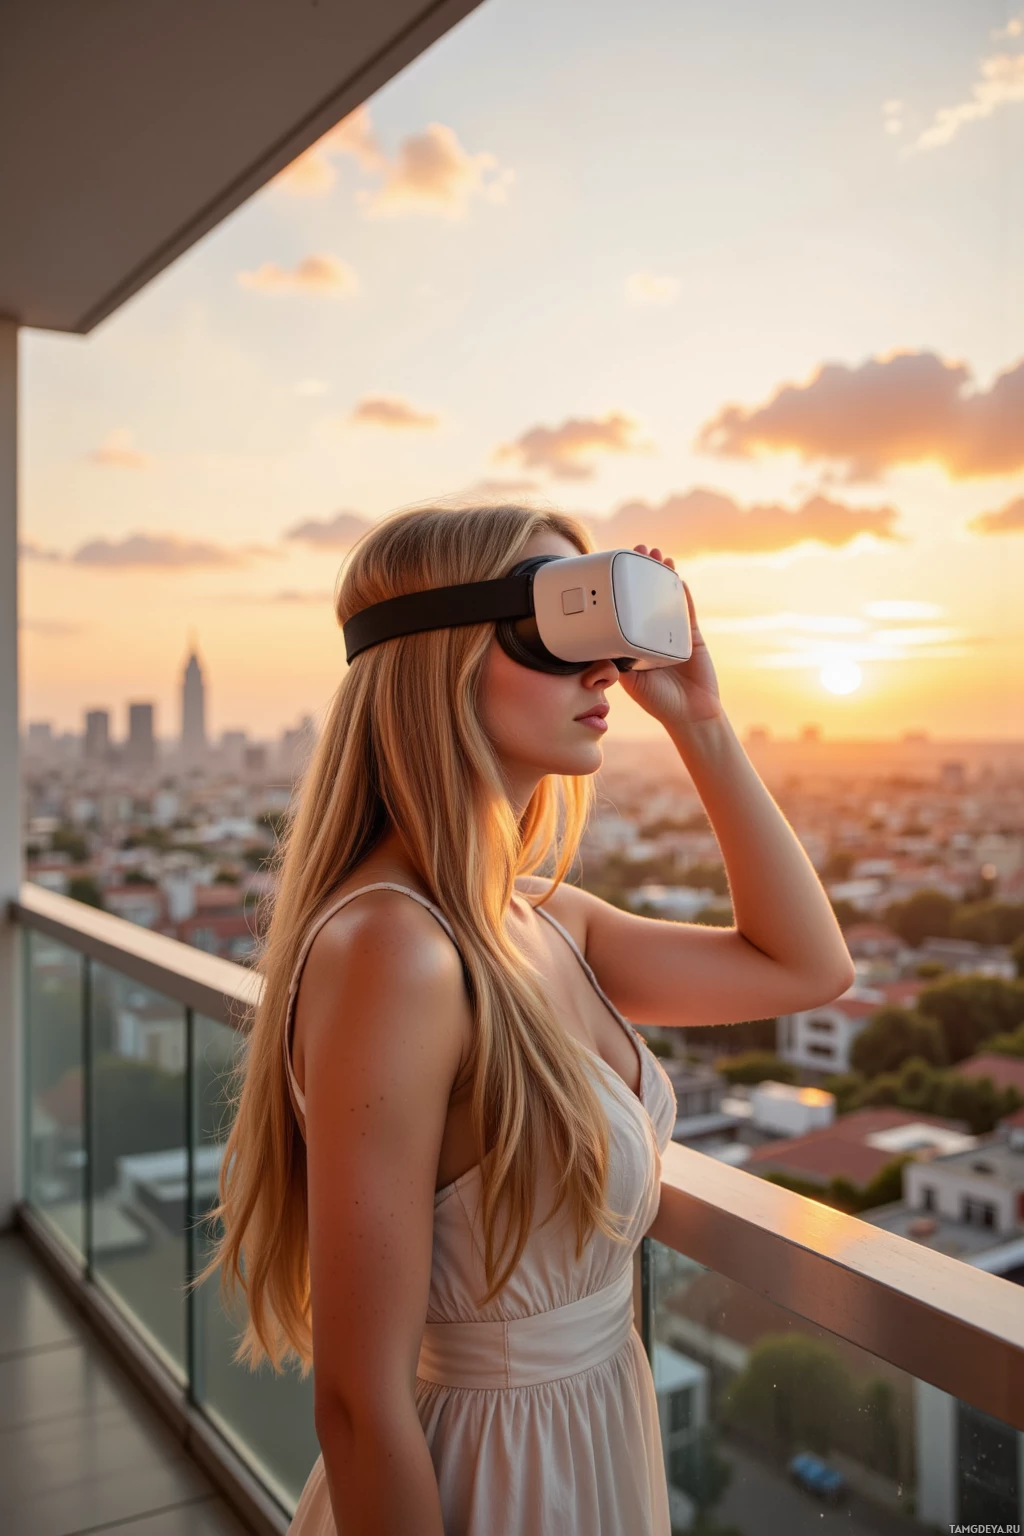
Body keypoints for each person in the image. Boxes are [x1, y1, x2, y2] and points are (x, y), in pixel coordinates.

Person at [196, 501, 854, 1535]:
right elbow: (358, 1406)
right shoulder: (395, 952)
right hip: (486, 1481)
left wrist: (700, 721)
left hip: (597, 1435)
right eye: (561, 634)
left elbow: (804, 967)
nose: (603, 674)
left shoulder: (544, 919)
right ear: (442, 657)